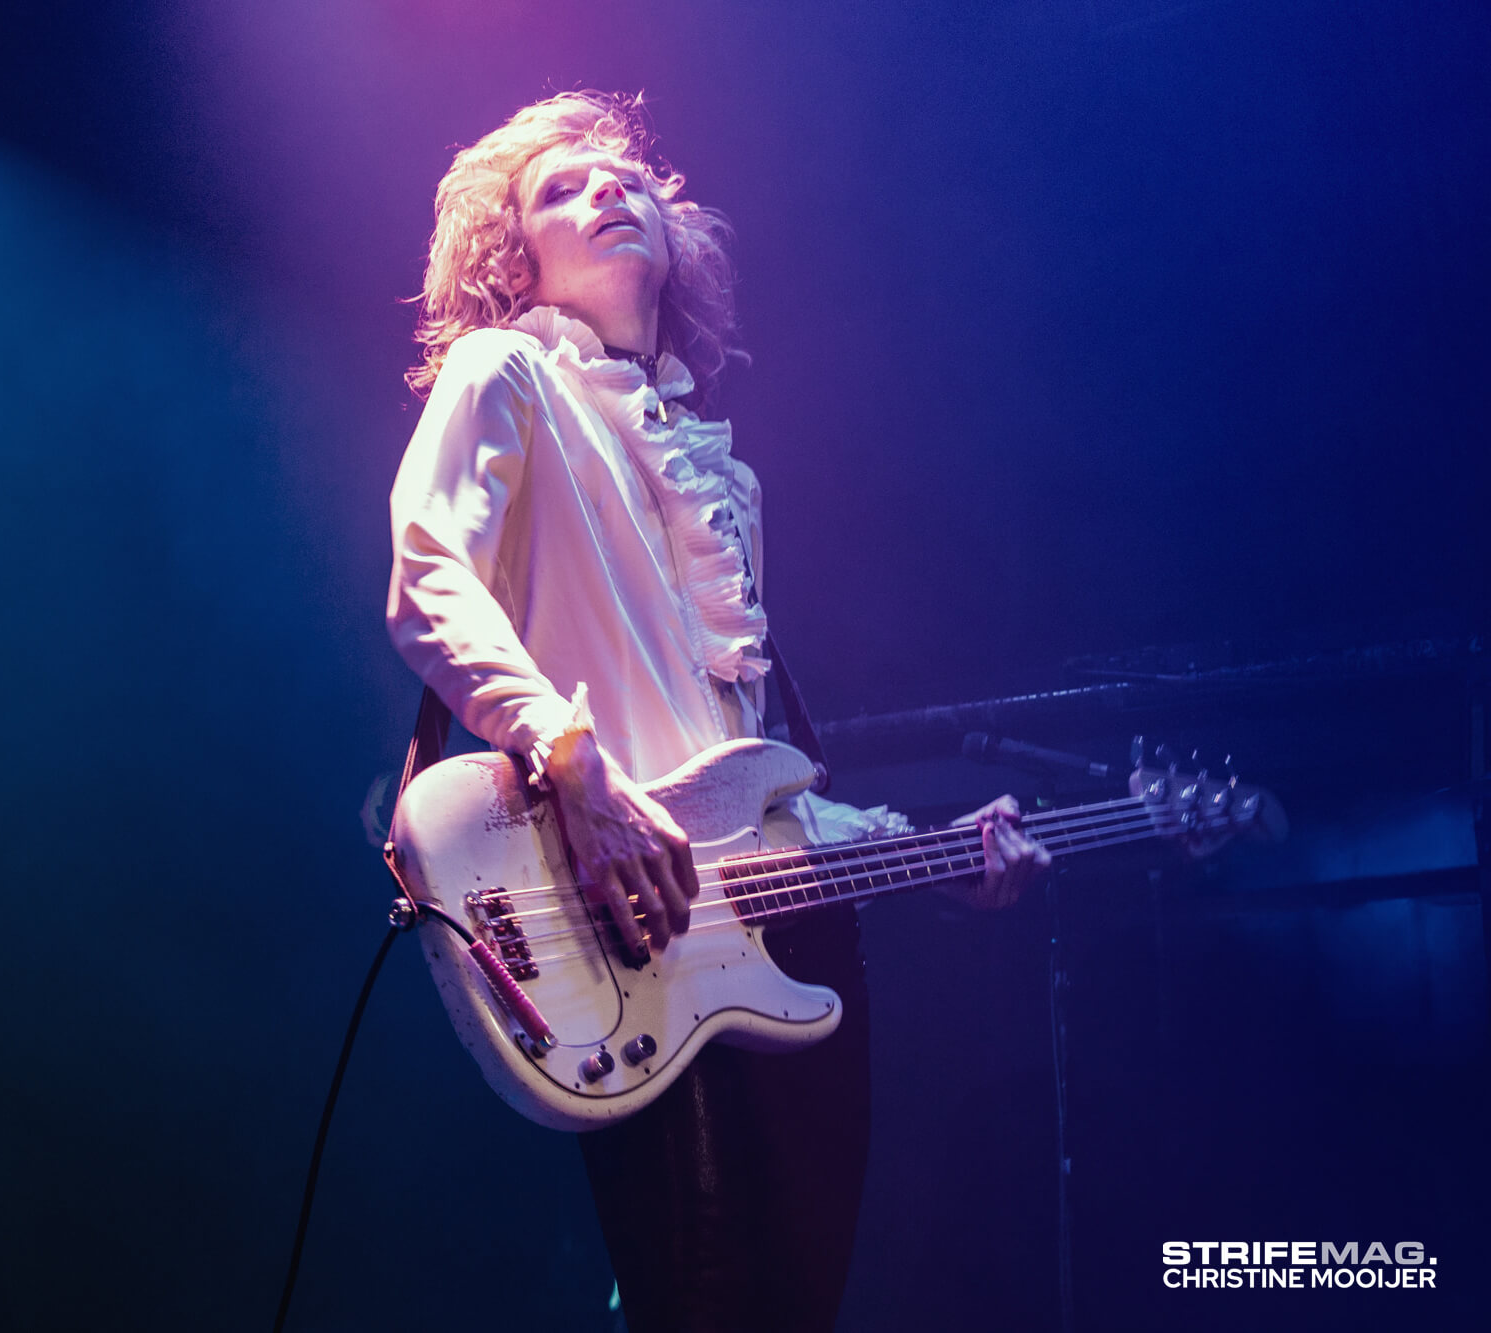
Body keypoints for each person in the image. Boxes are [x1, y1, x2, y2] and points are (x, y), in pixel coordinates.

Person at [385, 91, 1051, 1331]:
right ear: (510, 251)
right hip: (616, 914)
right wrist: (572, 765)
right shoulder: (506, 371)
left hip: (760, 935)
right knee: (699, 1298)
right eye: (559, 187)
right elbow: (427, 579)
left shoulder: (715, 470)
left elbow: (742, 763)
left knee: (795, 1303)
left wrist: (932, 853)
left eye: (623, 176)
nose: (604, 191)